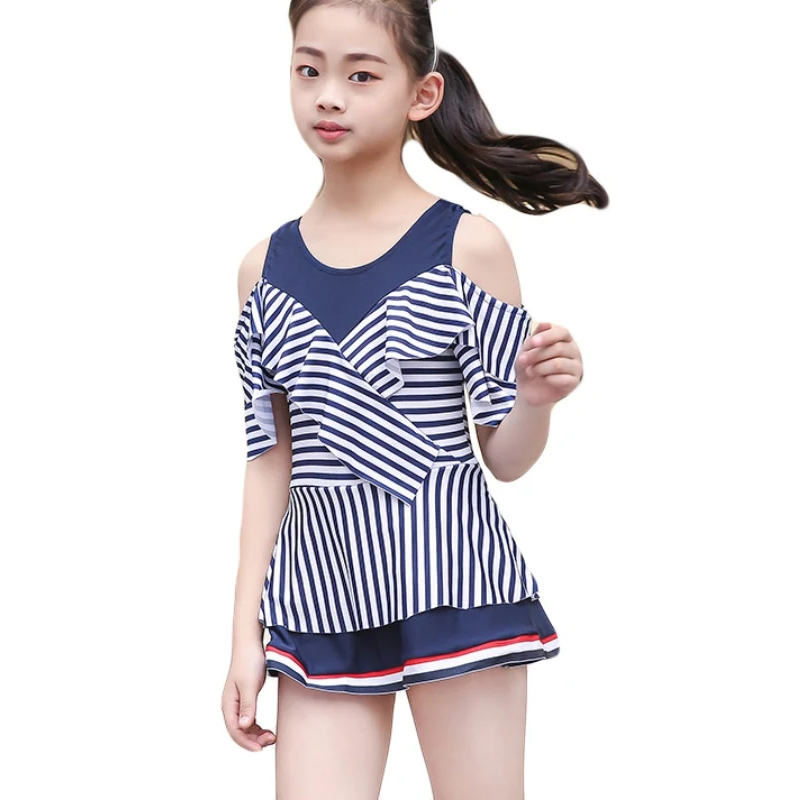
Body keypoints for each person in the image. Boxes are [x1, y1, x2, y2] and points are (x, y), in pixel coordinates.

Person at [222, 1, 603, 796]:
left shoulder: (468, 247)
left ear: (421, 94)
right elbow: (269, 462)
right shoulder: (262, 272)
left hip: (457, 584)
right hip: (320, 597)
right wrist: (243, 637)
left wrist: (536, 399)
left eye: (361, 75)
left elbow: (504, 457)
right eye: (308, 69)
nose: (329, 95)